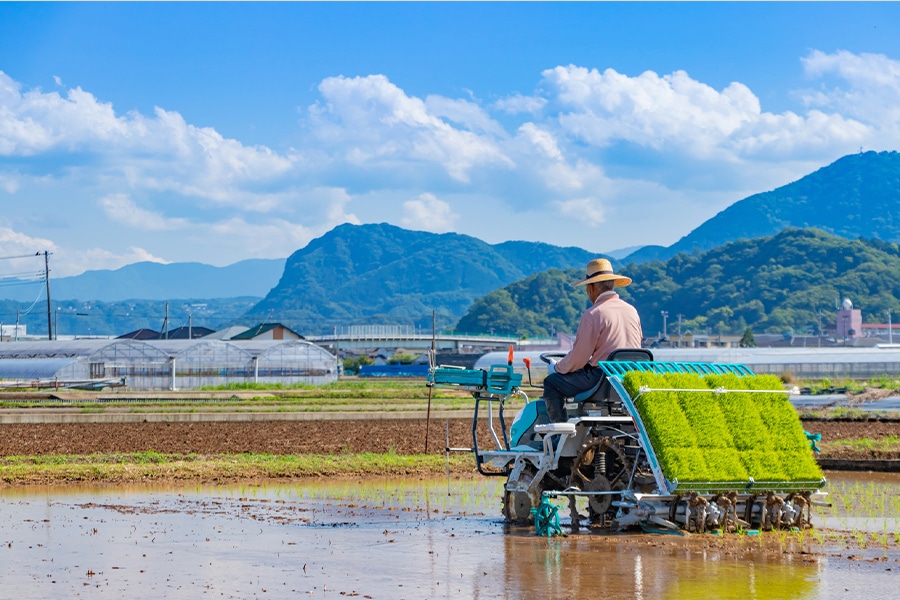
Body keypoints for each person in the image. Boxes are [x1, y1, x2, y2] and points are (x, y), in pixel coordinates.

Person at [543, 258, 643, 422]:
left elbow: (579, 358)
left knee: (552, 383)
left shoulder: (593, 314)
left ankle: (558, 436)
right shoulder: (632, 311)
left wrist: (557, 367)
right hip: (628, 378)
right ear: (612, 284)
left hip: (601, 378)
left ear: (590, 287)